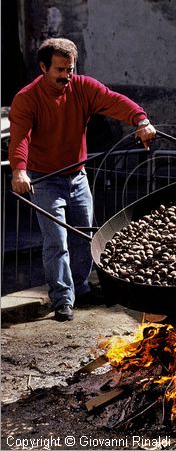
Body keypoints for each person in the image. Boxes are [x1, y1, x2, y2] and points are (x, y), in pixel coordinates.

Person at [9, 37, 156, 322]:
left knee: (83, 237)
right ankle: (63, 298)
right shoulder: (27, 99)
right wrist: (19, 170)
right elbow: (20, 138)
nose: (66, 76)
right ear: (43, 68)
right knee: (57, 241)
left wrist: (140, 120)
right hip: (45, 180)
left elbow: (113, 101)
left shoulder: (83, 87)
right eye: (59, 70)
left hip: (78, 177)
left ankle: (82, 288)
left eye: (70, 69)